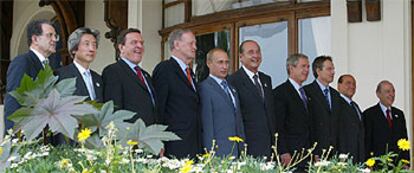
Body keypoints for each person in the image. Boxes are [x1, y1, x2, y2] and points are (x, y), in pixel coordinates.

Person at [152, 29, 201, 159]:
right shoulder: (165, 69)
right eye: (191, 43)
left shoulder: (190, 72)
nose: (195, 47)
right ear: (177, 44)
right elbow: (159, 108)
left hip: (193, 142)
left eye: (195, 44)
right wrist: (159, 140)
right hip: (174, 143)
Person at [5, 19, 59, 130]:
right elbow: (13, 101)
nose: (54, 39)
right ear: (35, 39)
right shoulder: (22, 62)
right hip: (27, 136)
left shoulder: (50, 67)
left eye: (55, 36)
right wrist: (14, 138)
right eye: (50, 35)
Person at [228, 40, 276, 158]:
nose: (256, 55)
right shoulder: (233, 81)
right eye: (251, 52)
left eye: (258, 52)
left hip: (271, 147)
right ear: (241, 57)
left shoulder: (266, 79)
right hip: (249, 147)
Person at [102, 28, 157, 125]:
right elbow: (114, 110)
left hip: (149, 135)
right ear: (121, 47)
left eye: (141, 43)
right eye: (134, 42)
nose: (139, 46)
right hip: (130, 136)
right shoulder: (113, 72)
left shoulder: (145, 75)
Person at [199, 48, 245, 157]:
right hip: (219, 153)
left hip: (237, 151)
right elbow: (207, 125)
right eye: (220, 62)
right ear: (209, 63)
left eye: (227, 62)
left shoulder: (232, 88)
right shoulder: (204, 88)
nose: (225, 66)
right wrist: (210, 154)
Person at [273, 53, 310, 167]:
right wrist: (283, 151)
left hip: (307, 154)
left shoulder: (306, 93)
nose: (306, 70)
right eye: (303, 66)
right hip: (291, 154)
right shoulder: (281, 92)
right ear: (291, 68)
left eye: (308, 67)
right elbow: (278, 125)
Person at [304, 56, 341, 158]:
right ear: (318, 71)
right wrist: (313, 151)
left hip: (334, 153)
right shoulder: (307, 92)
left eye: (333, 69)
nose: (333, 72)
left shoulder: (336, 95)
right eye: (329, 69)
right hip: (315, 152)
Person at [363, 80, 409, 161]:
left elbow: (404, 140)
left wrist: (406, 161)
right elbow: (366, 142)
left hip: (398, 165)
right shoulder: (369, 114)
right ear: (378, 94)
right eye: (388, 91)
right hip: (378, 164)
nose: (392, 94)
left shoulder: (399, 114)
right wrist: (368, 162)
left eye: (393, 91)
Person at [55, 27, 103, 102]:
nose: (91, 49)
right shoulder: (61, 75)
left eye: (94, 45)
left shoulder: (98, 78)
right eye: (86, 44)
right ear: (74, 49)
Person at [336, 74, 365, 162]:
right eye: (348, 83)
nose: (352, 86)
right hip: (344, 157)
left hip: (358, 156)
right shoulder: (336, 104)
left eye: (354, 84)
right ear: (339, 86)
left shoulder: (355, 106)